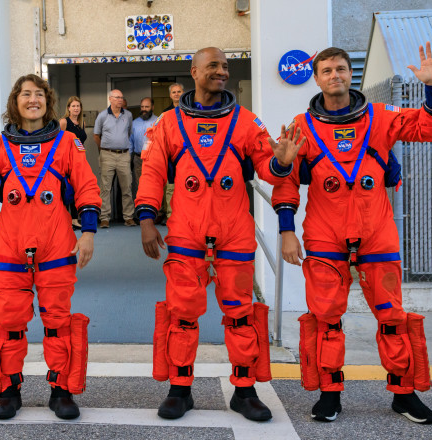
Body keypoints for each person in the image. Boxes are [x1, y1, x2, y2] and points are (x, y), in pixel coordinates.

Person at [270, 43, 432, 424]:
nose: (334, 75)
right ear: (316, 79)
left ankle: (404, 393)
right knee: (326, 318)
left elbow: (431, 128)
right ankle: (330, 393)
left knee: (391, 316)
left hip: (376, 234)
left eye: (340, 68)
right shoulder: (300, 128)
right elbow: (284, 183)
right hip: (324, 236)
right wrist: (287, 232)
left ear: (350, 74)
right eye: (327, 71)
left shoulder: (382, 117)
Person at [136, 47, 303, 422]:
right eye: (213, 66)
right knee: (181, 314)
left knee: (241, 313)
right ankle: (180, 390)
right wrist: (147, 219)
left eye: (226, 67)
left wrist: (281, 161)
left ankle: (244, 391)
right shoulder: (167, 123)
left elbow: (268, 171)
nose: (222, 72)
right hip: (186, 232)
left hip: (234, 234)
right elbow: (152, 173)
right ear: (193, 72)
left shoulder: (246, 122)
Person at [0, 74, 101, 421]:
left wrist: (89, 233)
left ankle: (61, 390)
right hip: (10, 247)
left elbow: (87, 189)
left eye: (38, 94)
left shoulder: (67, 143)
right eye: (25, 94)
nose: (32, 99)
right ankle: (8, 390)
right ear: (15, 102)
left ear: (47, 101)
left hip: (56, 246)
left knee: (57, 323)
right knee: (9, 323)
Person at [93, 89, 136, 228]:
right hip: (107, 155)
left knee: (127, 187)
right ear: (110, 99)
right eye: (117, 97)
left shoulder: (128, 115)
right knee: (105, 188)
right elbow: (96, 136)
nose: (120, 100)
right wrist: (105, 149)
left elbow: (129, 133)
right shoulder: (102, 116)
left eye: (121, 97)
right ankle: (105, 218)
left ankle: (128, 217)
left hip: (124, 155)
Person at [59, 96, 87, 229]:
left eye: (78, 106)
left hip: (79, 160)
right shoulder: (64, 122)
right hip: (66, 161)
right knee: (66, 190)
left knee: (77, 189)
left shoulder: (82, 123)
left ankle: (75, 219)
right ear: (69, 108)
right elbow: (57, 143)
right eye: (74, 106)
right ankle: (64, 218)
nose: (76, 108)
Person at [158, 83, 184, 224]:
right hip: (171, 155)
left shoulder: (190, 110)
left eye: (179, 91)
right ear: (170, 95)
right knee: (170, 187)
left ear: (183, 93)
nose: (176, 94)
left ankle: (186, 216)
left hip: (188, 153)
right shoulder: (165, 113)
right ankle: (170, 215)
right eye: (173, 92)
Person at [130, 97, 158, 190]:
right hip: (138, 159)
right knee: (140, 186)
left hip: (154, 159)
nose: (144, 109)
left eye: (147, 107)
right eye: (142, 107)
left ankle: (156, 205)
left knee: (154, 185)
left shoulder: (158, 122)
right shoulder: (134, 123)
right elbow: (131, 142)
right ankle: (141, 205)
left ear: (153, 107)